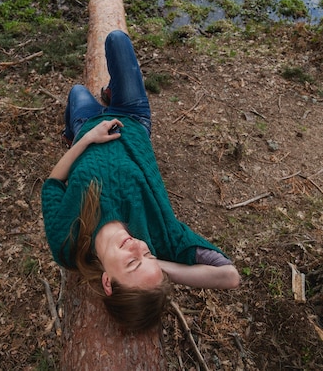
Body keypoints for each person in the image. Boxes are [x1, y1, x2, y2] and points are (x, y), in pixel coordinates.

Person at [42, 30, 240, 332]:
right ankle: (111, 95)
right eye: (147, 255)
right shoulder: (162, 237)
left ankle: (72, 130)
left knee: (77, 92)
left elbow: (53, 183)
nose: (138, 247)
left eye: (133, 263)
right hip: (132, 119)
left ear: (108, 281)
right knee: (116, 40)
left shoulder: (67, 243)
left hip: (86, 132)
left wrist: (83, 141)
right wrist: (158, 266)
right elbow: (229, 275)